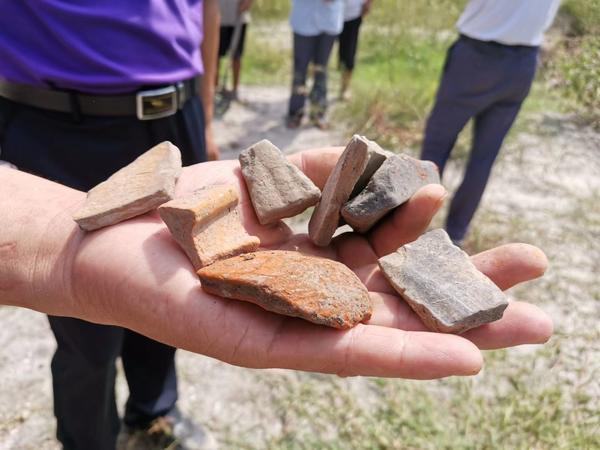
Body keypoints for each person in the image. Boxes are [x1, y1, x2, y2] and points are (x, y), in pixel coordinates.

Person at [1, 149, 553, 385]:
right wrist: (59, 245)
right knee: (85, 359)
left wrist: (59, 242)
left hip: (175, 94)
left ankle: (152, 409)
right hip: (44, 110)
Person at [0, 1, 221, 449]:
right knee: (87, 329)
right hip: (58, 126)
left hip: (177, 116)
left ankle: (154, 411)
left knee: (170, 287)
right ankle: (88, 442)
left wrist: (207, 115)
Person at [421, 0, 561, 246]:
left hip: (476, 56)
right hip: (523, 63)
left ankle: (412, 224)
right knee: (484, 157)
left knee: (436, 146)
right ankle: (456, 234)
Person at [286, 0, 344, 129]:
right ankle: (295, 112)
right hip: (303, 20)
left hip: (329, 20)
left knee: (321, 69)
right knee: (300, 70)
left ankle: (318, 113)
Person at [217, 0, 253, 100]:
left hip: (239, 16)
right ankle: (214, 88)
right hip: (218, 15)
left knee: (236, 55)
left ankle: (235, 89)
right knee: (215, 56)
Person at [338, 0, 373, 100]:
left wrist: (369, 2)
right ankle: (317, 88)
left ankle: (345, 88)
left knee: (349, 52)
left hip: (353, 13)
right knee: (320, 53)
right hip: (326, 12)